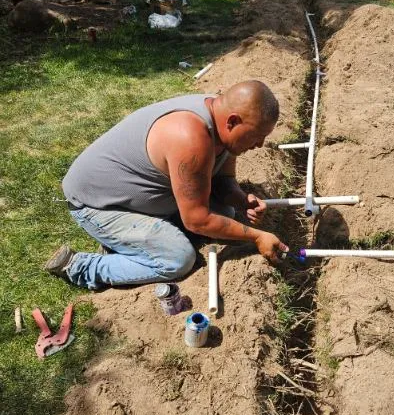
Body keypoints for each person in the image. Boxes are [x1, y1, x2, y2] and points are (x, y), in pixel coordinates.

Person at [45, 80, 289, 290]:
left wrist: (239, 198)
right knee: (177, 258)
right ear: (233, 122)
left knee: (226, 213)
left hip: (145, 197)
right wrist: (257, 237)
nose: (259, 145)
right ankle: (80, 267)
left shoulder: (221, 118)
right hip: (98, 206)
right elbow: (197, 220)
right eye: (256, 137)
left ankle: (135, 242)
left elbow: (223, 180)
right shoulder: (190, 138)